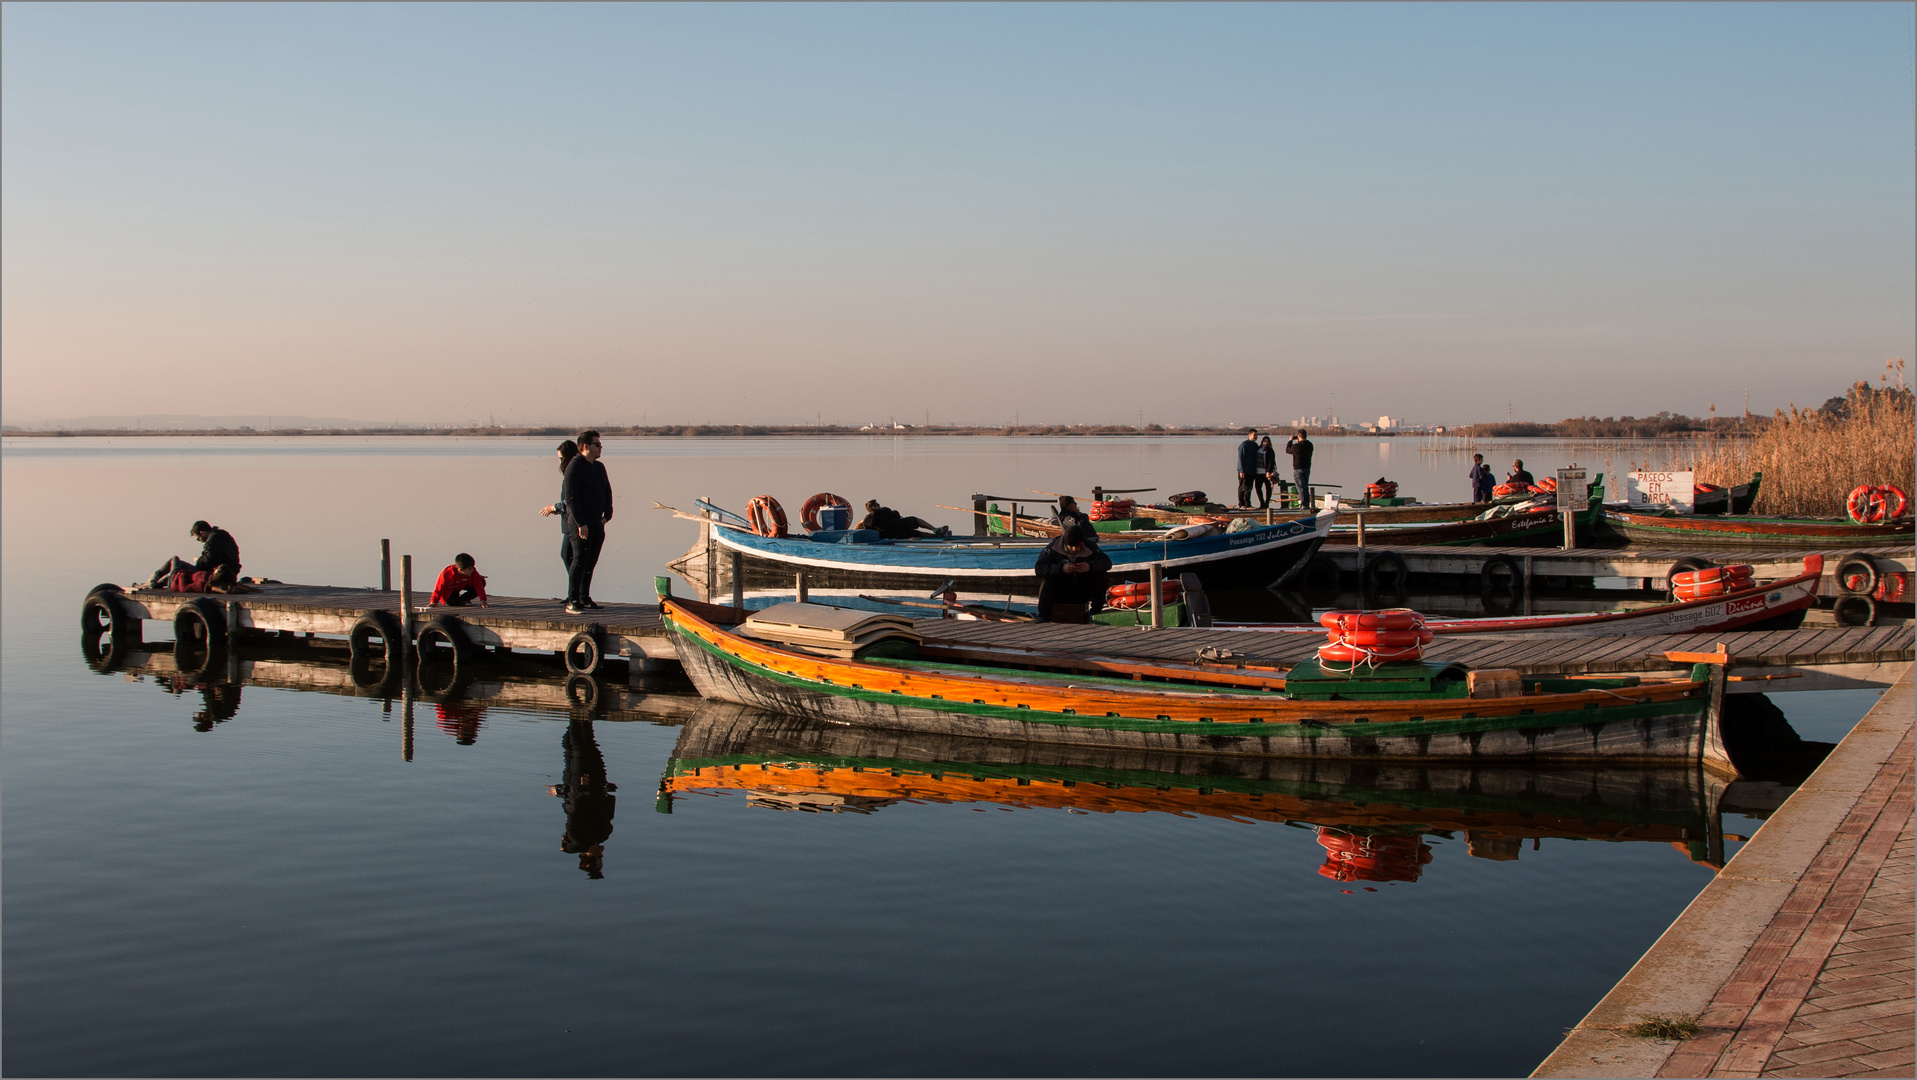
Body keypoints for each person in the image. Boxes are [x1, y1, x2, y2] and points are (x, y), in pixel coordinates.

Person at [562, 430, 613, 614]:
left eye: (600, 444)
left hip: (597, 523)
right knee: (579, 561)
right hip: (580, 525)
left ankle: (584, 597)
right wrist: (580, 523)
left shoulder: (599, 467)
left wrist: (607, 515)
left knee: (591, 562)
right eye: (597, 445)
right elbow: (571, 499)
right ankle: (572, 599)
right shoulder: (575, 467)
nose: (600, 448)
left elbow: (607, 492)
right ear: (585, 447)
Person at [1032, 523, 1112, 623]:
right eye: (1071, 546)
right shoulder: (1053, 547)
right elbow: (1039, 568)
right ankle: (1043, 616)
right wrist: (1061, 568)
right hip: (1061, 590)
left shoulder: (1089, 546)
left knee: (1101, 575)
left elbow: (1107, 562)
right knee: (1048, 579)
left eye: (1078, 546)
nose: (1075, 549)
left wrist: (1090, 566)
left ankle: (1095, 612)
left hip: (1082, 589)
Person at [145, 520, 242, 591]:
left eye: (198, 538)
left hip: (213, 574)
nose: (199, 540)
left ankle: (153, 579)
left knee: (175, 560)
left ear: (202, 532)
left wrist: (198, 560)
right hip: (229, 573)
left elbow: (209, 562)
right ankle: (155, 583)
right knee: (180, 571)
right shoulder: (225, 536)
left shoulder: (211, 540)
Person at [539, 439, 580, 577]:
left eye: (561, 458)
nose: (559, 462)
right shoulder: (573, 473)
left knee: (567, 555)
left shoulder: (573, 474)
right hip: (571, 522)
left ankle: (577, 593)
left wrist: (554, 507)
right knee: (570, 557)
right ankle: (575, 593)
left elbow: (572, 501)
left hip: (573, 523)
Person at [857, 500, 949, 539]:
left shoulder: (867, 519)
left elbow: (867, 531)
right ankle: (936, 530)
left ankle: (938, 536)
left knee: (916, 534)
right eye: (877, 504)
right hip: (898, 526)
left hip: (892, 536)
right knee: (915, 520)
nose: (879, 505)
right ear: (874, 507)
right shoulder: (883, 511)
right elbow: (898, 516)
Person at [1285, 429, 1314, 508]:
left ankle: (1304, 505)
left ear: (1299, 436)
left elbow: (1288, 450)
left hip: (1298, 469)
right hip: (1307, 469)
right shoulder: (1310, 445)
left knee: (1301, 488)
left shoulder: (1297, 446)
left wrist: (1290, 441)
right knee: (1305, 487)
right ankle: (1306, 504)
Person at [1235, 428, 1261, 507]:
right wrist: (1242, 470)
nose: (1255, 436)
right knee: (1242, 487)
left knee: (1249, 488)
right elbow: (1241, 458)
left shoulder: (1255, 445)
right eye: (1254, 435)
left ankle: (1248, 504)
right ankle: (1241, 504)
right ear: (1249, 435)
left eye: (1256, 435)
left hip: (1252, 470)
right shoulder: (1244, 445)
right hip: (1244, 470)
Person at [1255, 435, 1277, 509]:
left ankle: (1267, 503)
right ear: (1262, 442)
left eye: (1267, 442)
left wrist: (1268, 471)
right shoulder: (1258, 449)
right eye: (1264, 441)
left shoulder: (1270, 450)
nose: (1265, 443)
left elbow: (1271, 461)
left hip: (1266, 472)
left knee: (1268, 488)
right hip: (1258, 472)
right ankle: (1262, 503)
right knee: (1258, 487)